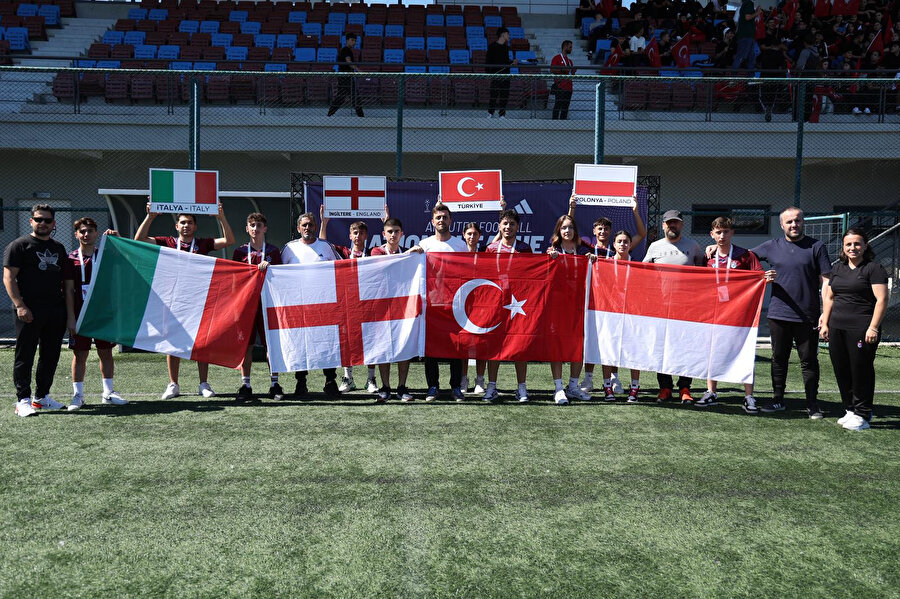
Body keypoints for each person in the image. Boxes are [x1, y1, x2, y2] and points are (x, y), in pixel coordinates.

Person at [135, 202, 235, 400]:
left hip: (198, 298)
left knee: (201, 342)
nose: (186, 226)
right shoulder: (168, 242)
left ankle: (203, 383)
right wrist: (151, 217)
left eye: (189, 222)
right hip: (172, 299)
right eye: (182, 222)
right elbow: (139, 239)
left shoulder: (203, 244)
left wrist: (221, 217)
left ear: (195, 226)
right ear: (176, 226)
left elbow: (229, 240)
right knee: (172, 340)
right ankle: (173, 384)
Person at [747, 207, 832, 417]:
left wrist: (825, 313)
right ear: (781, 225)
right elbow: (744, 259)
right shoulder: (771, 246)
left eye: (798, 221)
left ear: (803, 222)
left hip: (808, 315)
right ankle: (778, 400)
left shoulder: (817, 246)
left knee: (809, 361)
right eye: (789, 222)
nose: (794, 225)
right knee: (778, 359)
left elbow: (827, 282)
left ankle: (812, 404)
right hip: (778, 314)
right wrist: (761, 275)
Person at [697, 217, 776, 413]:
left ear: (732, 233)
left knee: (745, 351)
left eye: (726, 232)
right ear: (712, 235)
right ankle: (711, 392)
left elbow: (759, 276)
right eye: (718, 232)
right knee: (712, 351)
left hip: (740, 312)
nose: (722, 236)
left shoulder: (745, 255)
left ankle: (749, 396)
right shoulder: (707, 257)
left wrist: (766, 278)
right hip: (714, 311)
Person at [4, 204, 68, 417]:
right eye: (38, 219)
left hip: (55, 310)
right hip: (29, 310)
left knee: (50, 355)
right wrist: (20, 305)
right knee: (25, 355)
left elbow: (66, 283)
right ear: (31, 221)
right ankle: (22, 400)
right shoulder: (19, 245)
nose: (42, 223)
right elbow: (8, 278)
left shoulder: (59, 248)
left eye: (47, 220)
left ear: (54, 223)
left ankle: (41, 397)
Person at [820, 228, 887, 431]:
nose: (853, 248)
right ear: (843, 247)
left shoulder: (874, 268)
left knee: (861, 370)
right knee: (842, 369)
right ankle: (850, 409)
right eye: (848, 244)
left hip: (862, 328)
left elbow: (882, 300)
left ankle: (863, 413)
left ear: (865, 246)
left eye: (857, 244)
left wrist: (873, 328)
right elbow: (830, 298)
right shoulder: (838, 269)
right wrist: (825, 323)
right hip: (837, 327)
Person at [63, 218, 128, 411]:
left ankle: (108, 393)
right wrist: (71, 318)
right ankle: (78, 395)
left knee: (106, 353)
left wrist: (119, 239)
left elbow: (127, 261)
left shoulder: (105, 256)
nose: (86, 234)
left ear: (96, 233)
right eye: (82, 231)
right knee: (80, 355)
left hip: (103, 314)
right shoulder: (70, 259)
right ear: (76, 234)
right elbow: (68, 291)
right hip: (80, 314)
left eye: (90, 231)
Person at [642, 209, 705, 403]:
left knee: (686, 348)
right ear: (663, 225)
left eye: (676, 223)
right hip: (661, 307)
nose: (672, 226)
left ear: (681, 225)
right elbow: (642, 271)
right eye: (669, 223)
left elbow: (704, 269)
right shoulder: (654, 246)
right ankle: (665, 387)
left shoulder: (693, 246)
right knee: (663, 348)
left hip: (687, 307)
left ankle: (685, 388)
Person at [281, 211, 343, 398]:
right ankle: (301, 382)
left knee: (326, 342)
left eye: (311, 224)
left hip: (324, 304)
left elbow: (341, 269)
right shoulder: (289, 248)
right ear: (299, 228)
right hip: (299, 306)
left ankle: (330, 380)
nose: (308, 228)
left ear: (316, 227)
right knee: (301, 344)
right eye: (304, 225)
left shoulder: (326, 246)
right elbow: (279, 274)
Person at [410, 202, 467, 401]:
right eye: (438, 217)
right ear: (432, 221)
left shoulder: (460, 245)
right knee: (431, 346)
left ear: (451, 220)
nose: (441, 220)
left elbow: (468, 273)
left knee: (456, 347)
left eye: (445, 217)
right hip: (431, 303)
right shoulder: (424, 245)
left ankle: (455, 387)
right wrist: (412, 254)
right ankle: (432, 386)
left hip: (455, 303)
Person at [318, 212, 378, 393]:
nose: (358, 236)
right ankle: (348, 377)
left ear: (366, 235)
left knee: (371, 341)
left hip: (367, 303)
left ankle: (371, 379)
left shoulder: (373, 253)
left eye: (361, 232)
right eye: (355, 233)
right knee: (346, 341)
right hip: (347, 304)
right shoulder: (343, 252)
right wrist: (324, 223)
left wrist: (385, 223)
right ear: (350, 236)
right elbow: (323, 245)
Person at [231, 212, 282, 403]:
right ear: (247, 228)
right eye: (252, 225)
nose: (255, 228)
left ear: (265, 229)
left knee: (271, 345)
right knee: (247, 345)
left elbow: (283, 280)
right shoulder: (239, 252)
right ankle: (246, 385)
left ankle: (274, 383)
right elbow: (234, 280)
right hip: (246, 305)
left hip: (268, 304)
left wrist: (272, 269)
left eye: (259, 225)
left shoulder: (273, 252)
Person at [483, 209, 532, 403]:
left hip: (518, 303)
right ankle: (492, 386)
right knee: (494, 344)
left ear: (517, 227)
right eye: (505, 223)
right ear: (499, 226)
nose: (508, 227)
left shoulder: (524, 248)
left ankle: (521, 388)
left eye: (512, 224)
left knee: (520, 344)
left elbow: (532, 277)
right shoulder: (491, 249)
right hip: (496, 302)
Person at [546, 214, 595, 405]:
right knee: (557, 345)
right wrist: (550, 260)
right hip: (558, 305)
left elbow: (603, 257)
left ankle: (573, 386)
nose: (567, 231)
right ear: (559, 230)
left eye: (571, 227)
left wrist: (593, 258)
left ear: (575, 230)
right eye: (564, 228)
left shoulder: (583, 248)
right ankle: (558, 388)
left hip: (580, 304)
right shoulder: (552, 249)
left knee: (579, 345)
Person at [370, 217, 414, 403]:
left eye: (396, 231)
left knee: (403, 346)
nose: (393, 235)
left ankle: (401, 387)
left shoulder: (409, 254)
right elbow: (385, 264)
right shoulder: (376, 251)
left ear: (402, 234)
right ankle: (385, 387)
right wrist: (411, 253)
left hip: (403, 307)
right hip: (381, 307)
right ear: (384, 234)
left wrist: (412, 254)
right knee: (383, 347)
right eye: (390, 231)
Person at [605, 229, 644, 403]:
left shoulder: (637, 266)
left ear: (630, 244)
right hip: (609, 314)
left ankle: (634, 387)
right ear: (613, 245)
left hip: (631, 315)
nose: (622, 244)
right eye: (619, 241)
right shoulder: (604, 264)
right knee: (607, 350)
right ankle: (607, 387)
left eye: (625, 241)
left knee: (633, 351)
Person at [458, 222, 488, 397]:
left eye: (475, 234)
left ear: (479, 236)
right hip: (462, 303)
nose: (471, 237)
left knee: (481, 343)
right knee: (465, 344)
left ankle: (480, 379)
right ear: (464, 235)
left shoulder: (485, 253)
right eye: (469, 233)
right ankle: (464, 378)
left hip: (482, 302)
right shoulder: (458, 254)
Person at [326, 32, 364, 117]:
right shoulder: (345, 50)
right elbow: (349, 62)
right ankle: (361, 117)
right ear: (347, 40)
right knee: (351, 97)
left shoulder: (347, 50)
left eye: (355, 41)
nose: (354, 42)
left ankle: (329, 114)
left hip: (346, 77)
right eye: (352, 40)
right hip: (345, 78)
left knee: (344, 97)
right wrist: (359, 70)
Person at [486, 26, 518, 118]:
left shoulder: (506, 48)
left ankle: (502, 114)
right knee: (494, 94)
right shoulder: (492, 46)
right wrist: (489, 74)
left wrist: (512, 62)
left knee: (504, 94)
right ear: (503, 34)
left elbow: (505, 61)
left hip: (505, 74)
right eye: (507, 34)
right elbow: (488, 61)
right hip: (495, 75)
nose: (509, 36)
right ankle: (490, 113)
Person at [732, 0, 762, 70]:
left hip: (748, 36)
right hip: (746, 36)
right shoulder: (748, 3)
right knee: (741, 57)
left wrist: (756, 11)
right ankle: (733, 78)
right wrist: (757, 12)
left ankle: (750, 79)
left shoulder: (745, 4)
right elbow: (747, 17)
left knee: (751, 58)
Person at [550, 40, 576, 120]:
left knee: (565, 108)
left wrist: (573, 71)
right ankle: (554, 124)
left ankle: (563, 124)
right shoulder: (556, 58)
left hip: (569, 88)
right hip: (560, 86)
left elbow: (571, 74)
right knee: (557, 105)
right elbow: (552, 70)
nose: (571, 49)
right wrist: (562, 70)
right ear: (565, 47)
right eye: (570, 47)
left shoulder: (570, 61)